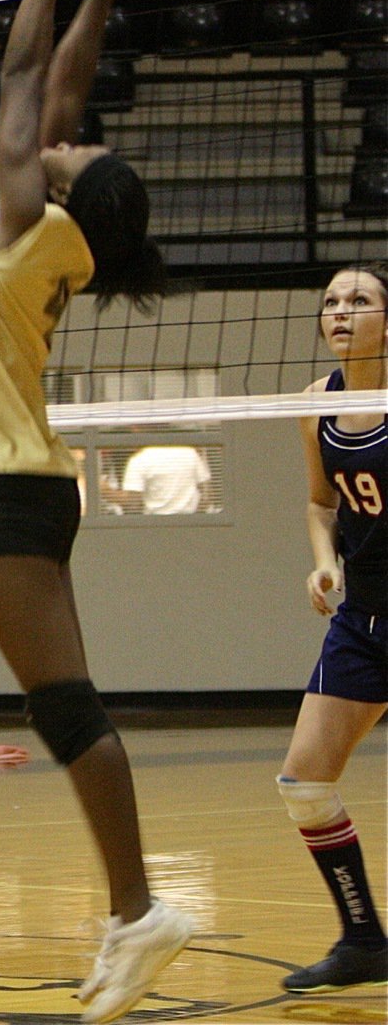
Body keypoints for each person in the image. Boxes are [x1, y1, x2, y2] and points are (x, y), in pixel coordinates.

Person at [0, 0, 193, 1022]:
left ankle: (141, 910)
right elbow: (66, 82)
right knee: (66, 705)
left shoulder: (26, 219)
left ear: (73, 191)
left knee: (66, 708)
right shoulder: (43, 228)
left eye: (78, 154)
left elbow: (26, 74)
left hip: (8, 491)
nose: (67, 141)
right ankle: (130, 912)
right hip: (19, 484)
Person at [276, 262, 387, 994]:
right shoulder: (317, 402)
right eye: (330, 301)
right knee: (303, 782)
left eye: (360, 300)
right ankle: (362, 941)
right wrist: (325, 565)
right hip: (364, 621)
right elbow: (322, 503)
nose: (340, 311)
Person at [119, 444, 211, 514]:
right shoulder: (189, 453)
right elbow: (207, 493)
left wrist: (107, 491)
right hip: (192, 524)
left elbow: (133, 504)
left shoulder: (139, 460)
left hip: (156, 526)